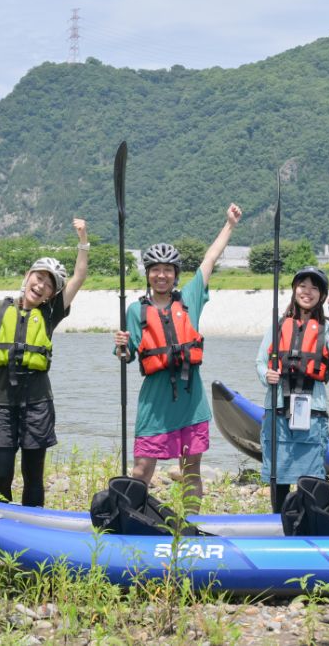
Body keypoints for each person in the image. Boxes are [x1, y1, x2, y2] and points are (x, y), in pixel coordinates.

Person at [112, 203, 242, 512]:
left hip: (191, 403)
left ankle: (190, 524)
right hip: (154, 406)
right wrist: (120, 346)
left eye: (167, 270)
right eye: (155, 270)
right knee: (142, 470)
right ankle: (133, 519)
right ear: (148, 274)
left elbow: (209, 260)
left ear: (174, 275)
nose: (161, 275)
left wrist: (229, 225)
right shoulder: (136, 311)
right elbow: (126, 356)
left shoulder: (190, 299)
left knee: (191, 471)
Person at [0, 218, 90, 507]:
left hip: (37, 405)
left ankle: (32, 526)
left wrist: (83, 239)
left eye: (49, 285)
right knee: (2, 475)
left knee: (33, 476)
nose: (41, 286)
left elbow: (79, 277)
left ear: (52, 294)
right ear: (27, 276)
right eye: (39, 278)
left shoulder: (50, 314)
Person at [254, 266, 329, 512]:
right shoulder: (279, 324)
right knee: (279, 473)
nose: (307, 291)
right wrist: (267, 375)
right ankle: (279, 518)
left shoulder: (326, 327)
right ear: (295, 290)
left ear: (322, 295)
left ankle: (311, 520)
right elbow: (261, 361)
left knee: (312, 473)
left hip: (312, 409)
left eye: (314, 288)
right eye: (302, 286)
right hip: (279, 405)